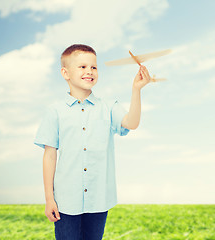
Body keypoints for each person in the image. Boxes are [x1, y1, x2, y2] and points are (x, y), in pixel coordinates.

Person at [34, 44, 151, 240]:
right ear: (65, 73)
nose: (89, 71)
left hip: (98, 199)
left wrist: (136, 89)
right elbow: (50, 155)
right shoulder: (54, 111)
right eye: (82, 67)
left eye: (94, 67)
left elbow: (131, 122)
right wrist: (49, 198)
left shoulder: (108, 106)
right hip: (65, 200)